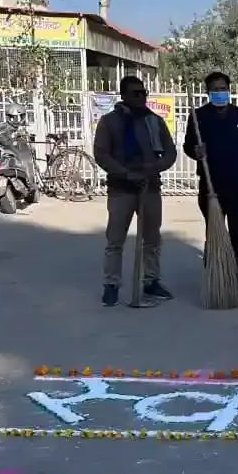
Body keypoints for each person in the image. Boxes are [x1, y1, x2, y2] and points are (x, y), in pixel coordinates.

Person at [93, 75, 178, 307]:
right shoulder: (109, 122)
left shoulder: (155, 122)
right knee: (115, 240)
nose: (141, 97)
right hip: (121, 189)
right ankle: (111, 285)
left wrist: (154, 167)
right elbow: (101, 154)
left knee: (152, 239)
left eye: (143, 93)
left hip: (150, 188)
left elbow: (170, 153)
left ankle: (151, 281)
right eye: (135, 93)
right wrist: (125, 173)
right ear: (123, 96)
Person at [183, 71, 238, 299]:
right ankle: (215, 276)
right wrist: (195, 151)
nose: (220, 93)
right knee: (214, 232)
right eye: (215, 89)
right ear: (208, 93)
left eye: (223, 88)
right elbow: (188, 145)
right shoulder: (198, 117)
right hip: (211, 186)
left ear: (229, 89)